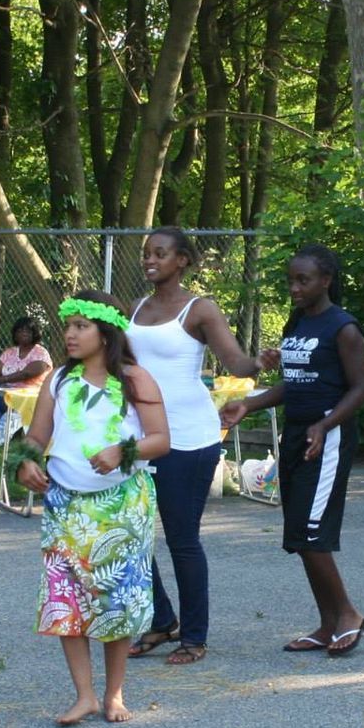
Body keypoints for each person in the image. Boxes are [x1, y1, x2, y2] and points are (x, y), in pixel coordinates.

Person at [15, 292, 171, 725]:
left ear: (106, 333)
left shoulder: (136, 380)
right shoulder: (59, 381)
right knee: (67, 598)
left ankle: (114, 694)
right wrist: (25, 460)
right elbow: (37, 434)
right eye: (68, 325)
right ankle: (83, 695)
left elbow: (160, 439)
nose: (69, 333)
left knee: (114, 598)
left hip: (121, 505)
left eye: (81, 326)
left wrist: (123, 451)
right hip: (65, 503)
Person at [222, 244, 364, 656]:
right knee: (297, 534)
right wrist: (247, 404)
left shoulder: (343, 328)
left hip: (328, 436)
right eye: (291, 280)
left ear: (326, 280)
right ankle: (327, 625)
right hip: (298, 434)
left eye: (303, 280)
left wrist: (325, 424)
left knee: (311, 531)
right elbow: (295, 385)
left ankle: (348, 615)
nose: (294, 287)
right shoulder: (297, 324)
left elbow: (361, 388)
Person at [125, 228, 264, 665]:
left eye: (160, 253)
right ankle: (162, 620)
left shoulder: (198, 309)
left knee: (182, 540)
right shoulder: (135, 309)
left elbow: (237, 360)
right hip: (139, 437)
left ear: (182, 260)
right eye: (147, 253)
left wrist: (259, 363)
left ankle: (195, 636)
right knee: (132, 535)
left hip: (188, 437)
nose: (150, 260)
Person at [0, 317, 53, 447]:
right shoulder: (9, 352)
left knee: (19, 410)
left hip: (32, 396)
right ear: (15, 333)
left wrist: (0, 380)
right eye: (20, 330)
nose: (23, 333)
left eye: (28, 330)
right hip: (9, 393)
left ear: (35, 333)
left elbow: (28, 373)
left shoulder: (40, 352)